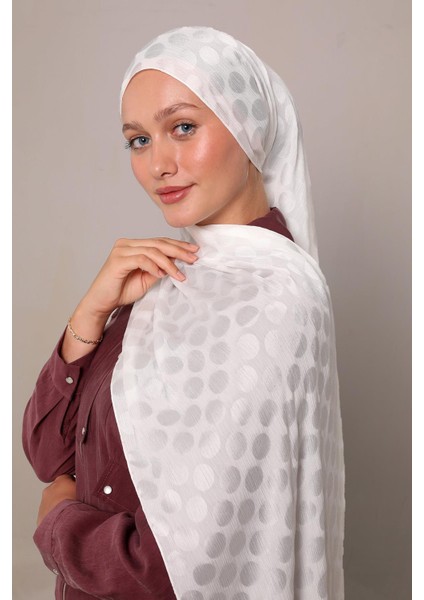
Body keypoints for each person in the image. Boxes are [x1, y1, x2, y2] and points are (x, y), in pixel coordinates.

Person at [23, 26, 345, 600]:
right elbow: (51, 453)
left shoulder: (273, 301)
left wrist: (57, 528)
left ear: (248, 128)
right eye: (138, 140)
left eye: (184, 128)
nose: (159, 164)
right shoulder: (168, 277)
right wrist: (90, 315)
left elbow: (187, 570)